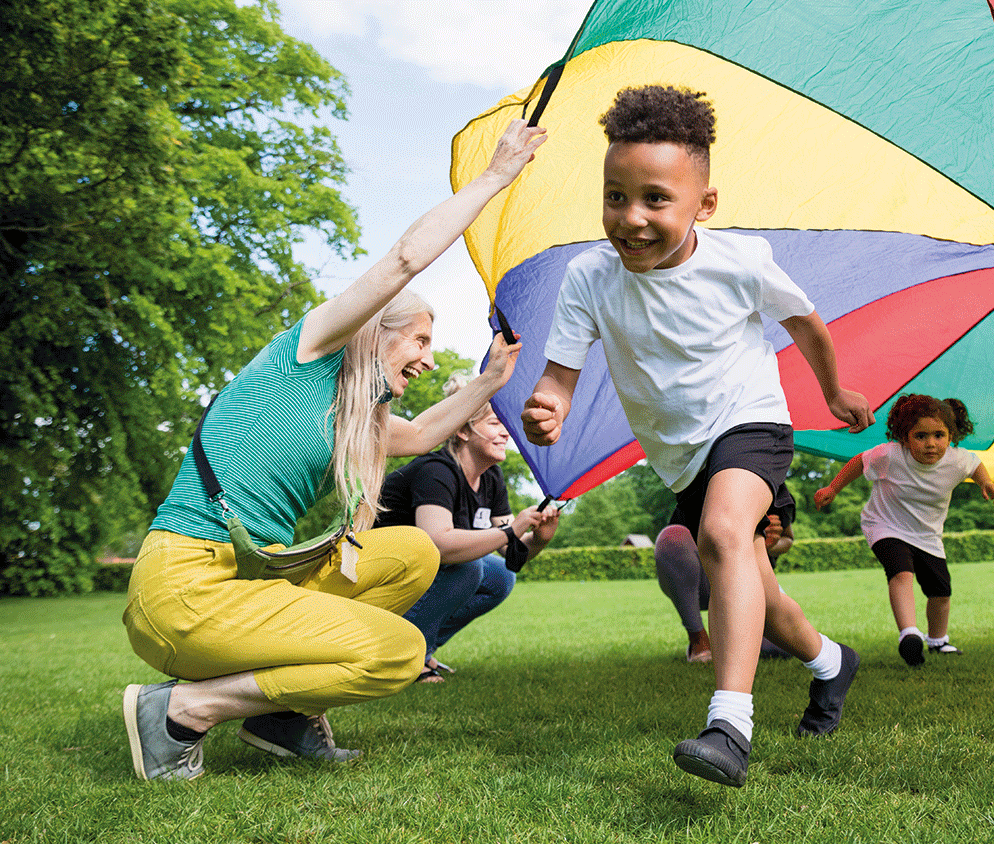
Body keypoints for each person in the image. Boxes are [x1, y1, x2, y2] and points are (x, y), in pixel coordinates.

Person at [120, 119, 547, 781]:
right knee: (398, 652)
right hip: (184, 590)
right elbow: (405, 259)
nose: (429, 362)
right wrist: (495, 178)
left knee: (411, 552)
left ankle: (279, 717)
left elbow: (426, 434)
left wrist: (491, 380)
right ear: (377, 332)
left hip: (251, 581)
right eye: (420, 343)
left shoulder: (352, 415)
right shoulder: (306, 355)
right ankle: (185, 709)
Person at [520, 85, 874, 788]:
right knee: (758, 593)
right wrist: (547, 404)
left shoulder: (739, 261)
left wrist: (833, 391)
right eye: (615, 196)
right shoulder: (589, 277)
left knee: (720, 535)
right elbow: (559, 376)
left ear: (703, 205)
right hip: (680, 455)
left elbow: (805, 322)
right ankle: (831, 663)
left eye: (655, 199)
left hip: (750, 422)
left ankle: (730, 726)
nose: (631, 218)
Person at [375, 374, 560, 683]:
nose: (506, 434)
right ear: (462, 430)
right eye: (495, 424)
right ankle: (402, 657)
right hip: (378, 566)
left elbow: (509, 553)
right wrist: (511, 531)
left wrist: (538, 539)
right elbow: (439, 544)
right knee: (468, 567)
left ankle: (421, 648)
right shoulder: (437, 471)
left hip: (420, 569)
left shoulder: (491, 478)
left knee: (501, 576)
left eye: (506, 426)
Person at [813, 395, 994, 667]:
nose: (931, 443)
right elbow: (859, 462)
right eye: (921, 436)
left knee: (940, 592)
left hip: (927, 536)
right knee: (901, 572)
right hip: (884, 525)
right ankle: (909, 635)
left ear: (951, 435)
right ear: (904, 437)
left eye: (940, 435)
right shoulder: (890, 455)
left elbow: (975, 465)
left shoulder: (957, 460)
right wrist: (832, 488)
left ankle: (938, 640)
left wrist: (987, 483)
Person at [656, 514, 794, 663]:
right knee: (672, 537)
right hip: (707, 575)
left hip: (751, 578)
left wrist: (768, 542)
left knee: (783, 647)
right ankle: (698, 639)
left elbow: (788, 539)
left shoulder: (778, 494)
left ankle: (734, 637)